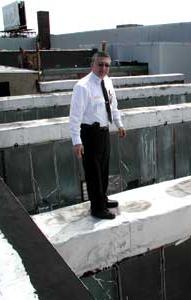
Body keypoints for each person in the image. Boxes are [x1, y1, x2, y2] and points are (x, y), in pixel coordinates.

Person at [69, 52, 126, 219]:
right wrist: (77, 141)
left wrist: (119, 124)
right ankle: (97, 209)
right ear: (92, 65)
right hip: (89, 134)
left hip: (104, 132)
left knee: (103, 169)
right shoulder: (82, 86)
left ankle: (103, 198)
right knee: (93, 173)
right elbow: (75, 116)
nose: (103, 68)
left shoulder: (108, 82)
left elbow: (113, 106)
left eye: (107, 65)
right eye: (100, 64)